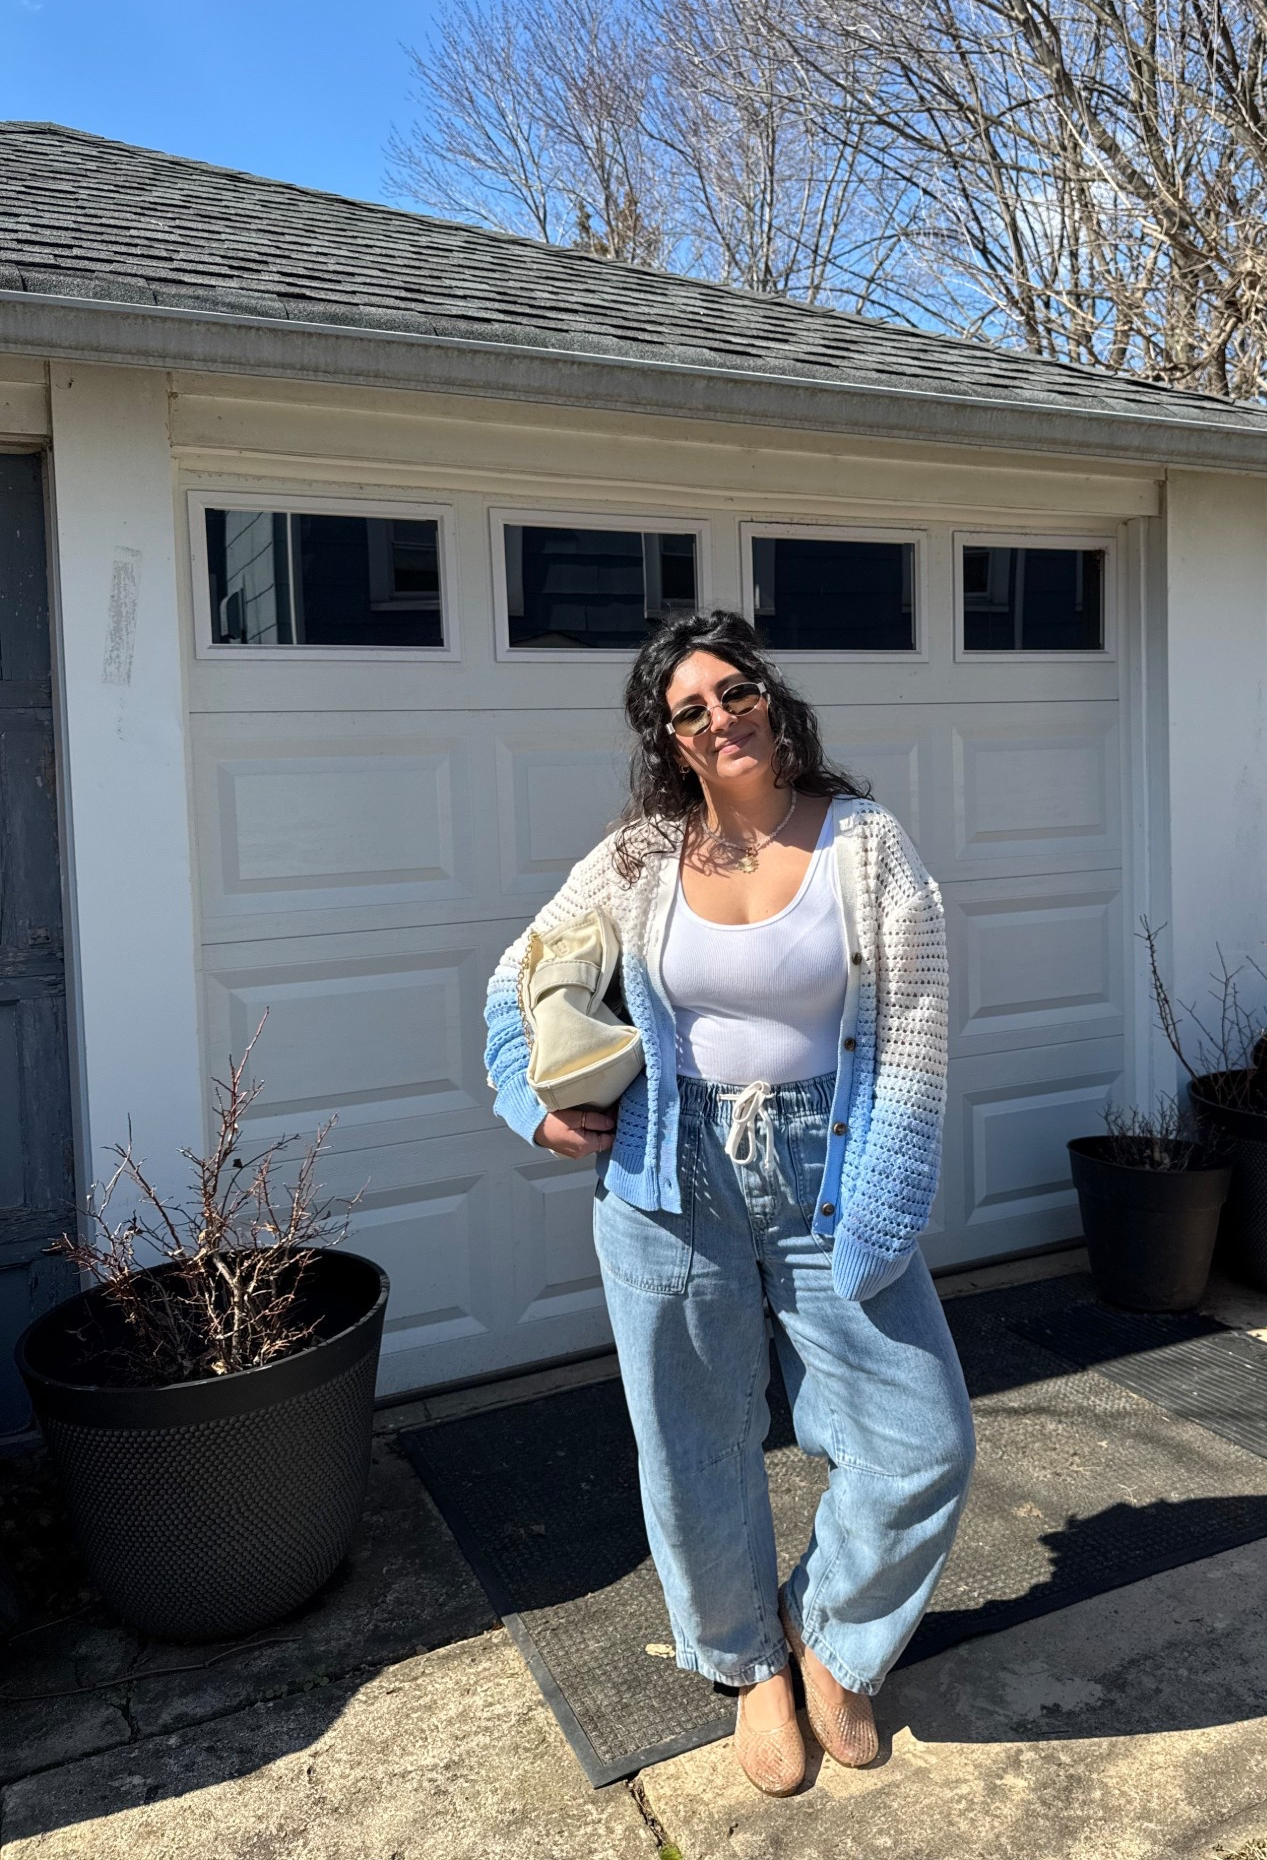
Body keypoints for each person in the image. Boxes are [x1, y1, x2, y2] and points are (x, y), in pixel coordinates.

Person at [484, 608, 975, 1795]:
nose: (719, 717)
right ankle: (750, 1663)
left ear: (771, 695)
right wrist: (526, 1097)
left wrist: (885, 1198)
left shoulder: (865, 843)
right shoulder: (644, 856)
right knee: (693, 1443)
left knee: (922, 1440)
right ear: (673, 742)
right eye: (689, 710)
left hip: (828, 1166)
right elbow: (522, 968)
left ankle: (833, 1639)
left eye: (734, 689)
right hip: (668, 1170)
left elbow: (910, 1034)